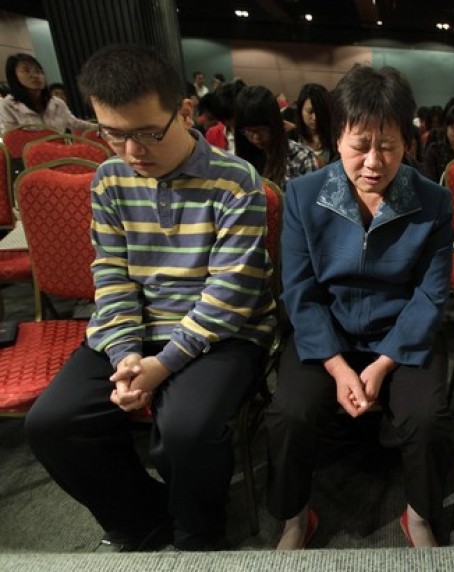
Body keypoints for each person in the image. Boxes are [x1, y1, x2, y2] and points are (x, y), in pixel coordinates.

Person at [24, 44, 277, 552]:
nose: (132, 150)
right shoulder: (110, 179)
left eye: (147, 132)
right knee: (53, 423)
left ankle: (198, 531)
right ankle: (143, 518)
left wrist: (162, 365)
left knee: (185, 428)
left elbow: (230, 293)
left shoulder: (234, 180)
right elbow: (111, 276)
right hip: (135, 329)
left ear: (183, 109)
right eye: (113, 134)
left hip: (222, 331)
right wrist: (126, 355)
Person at [265, 64, 454, 550]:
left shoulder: (433, 202)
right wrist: (337, 366)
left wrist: (385, 363)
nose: (374, 161)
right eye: (359, 145)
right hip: (328, 334)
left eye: (388, 145)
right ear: (337, 138)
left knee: (429, 417)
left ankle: (420, 514)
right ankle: (293, 516)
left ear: (407, 142)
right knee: (289, 412)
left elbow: (432, 293)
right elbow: (299, 289)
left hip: (400, 335)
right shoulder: (305, 196)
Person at [233, 85, 319, 188]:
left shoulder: (302, 158)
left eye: (261, 130)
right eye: (249, 131)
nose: (256, 137)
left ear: (275, 124)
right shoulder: (241, 159)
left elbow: (311, 201)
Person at [0, 53, 95, 133]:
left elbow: (74, 123)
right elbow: (12, 138)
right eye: (26, 71)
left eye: (38, 71)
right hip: (27, 154)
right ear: (14, 76)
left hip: (61, 152)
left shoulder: (56, 103)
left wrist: (101, 128)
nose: (35, 75)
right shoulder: (8, 105)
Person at [295, 83, 336, 165]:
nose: (315, 117)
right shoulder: (292, 137)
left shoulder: (334, 138)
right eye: (310, 112)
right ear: (300, 111)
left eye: (319, 112)